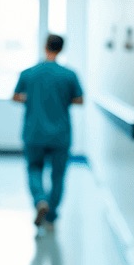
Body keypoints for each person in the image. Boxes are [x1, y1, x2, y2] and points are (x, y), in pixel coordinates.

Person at [13, 34, 84, 228]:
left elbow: (16, 96)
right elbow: (79, 99)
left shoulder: (29, 73)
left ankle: (40, 200)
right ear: (61, 49)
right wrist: (62, 99)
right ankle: (51, 216)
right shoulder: (69, 75)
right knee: (58, 175)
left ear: (45, 47)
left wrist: (31, 99)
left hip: (34, 132)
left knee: (34, 168)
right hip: (60, 134)